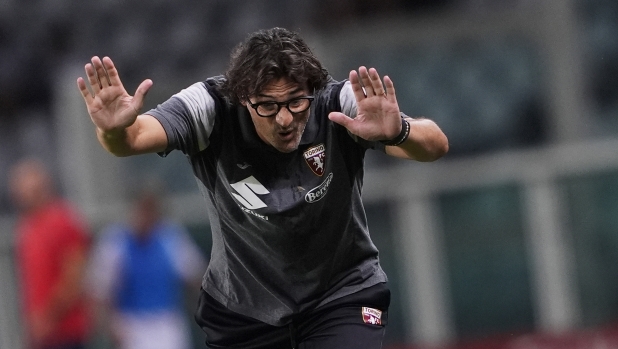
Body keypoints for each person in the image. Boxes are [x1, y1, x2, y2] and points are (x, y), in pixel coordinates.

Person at [76, 27, 449, 349]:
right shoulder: (210, 107)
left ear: (312, 91)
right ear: (241, 97)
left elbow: (434, 145)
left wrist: (400, 130)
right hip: (244, 312)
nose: (285, 118)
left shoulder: (338, 103)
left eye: (295, 102)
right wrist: (112, 129)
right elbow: (133, 138)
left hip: (340, 295)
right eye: (267, 106)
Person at [87, 181, 206, 349]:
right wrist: (110, 327)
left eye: (150, 210)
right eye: (142, 210)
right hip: (131, 325)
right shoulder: (114, 243)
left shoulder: (171, 238)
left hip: (167, 324)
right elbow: (99, 293)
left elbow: (197, 279)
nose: (145, 216)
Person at [8, 158, 92, 349]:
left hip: (67, 332)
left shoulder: (64, 220)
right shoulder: (26, 227)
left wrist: (48, 317)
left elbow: (74, 278)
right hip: (41, 336)